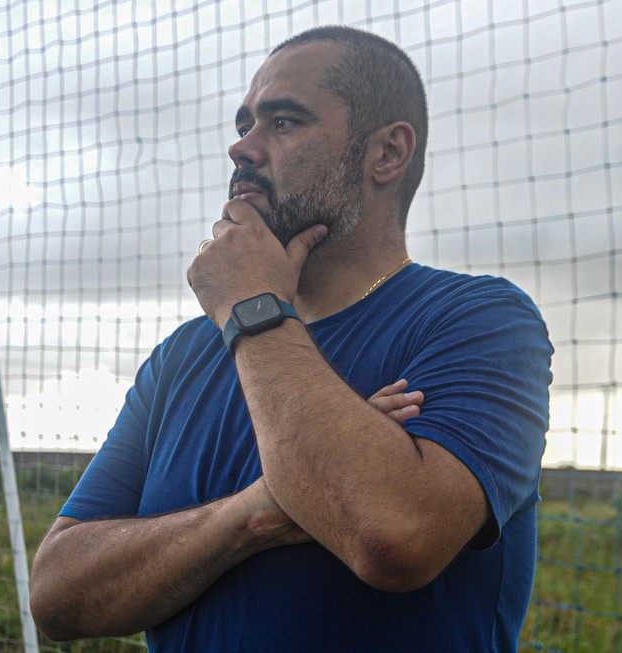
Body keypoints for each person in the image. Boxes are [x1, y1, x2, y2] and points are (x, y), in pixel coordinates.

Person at [29, 25, 553, 652]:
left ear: (386, 153)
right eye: (244, 122)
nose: (241, 148)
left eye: (282, 122)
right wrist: (252, 514)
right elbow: (56, 598)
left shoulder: (477, 320)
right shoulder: (184, 357)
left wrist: (252, 308)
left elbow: (393, 535)